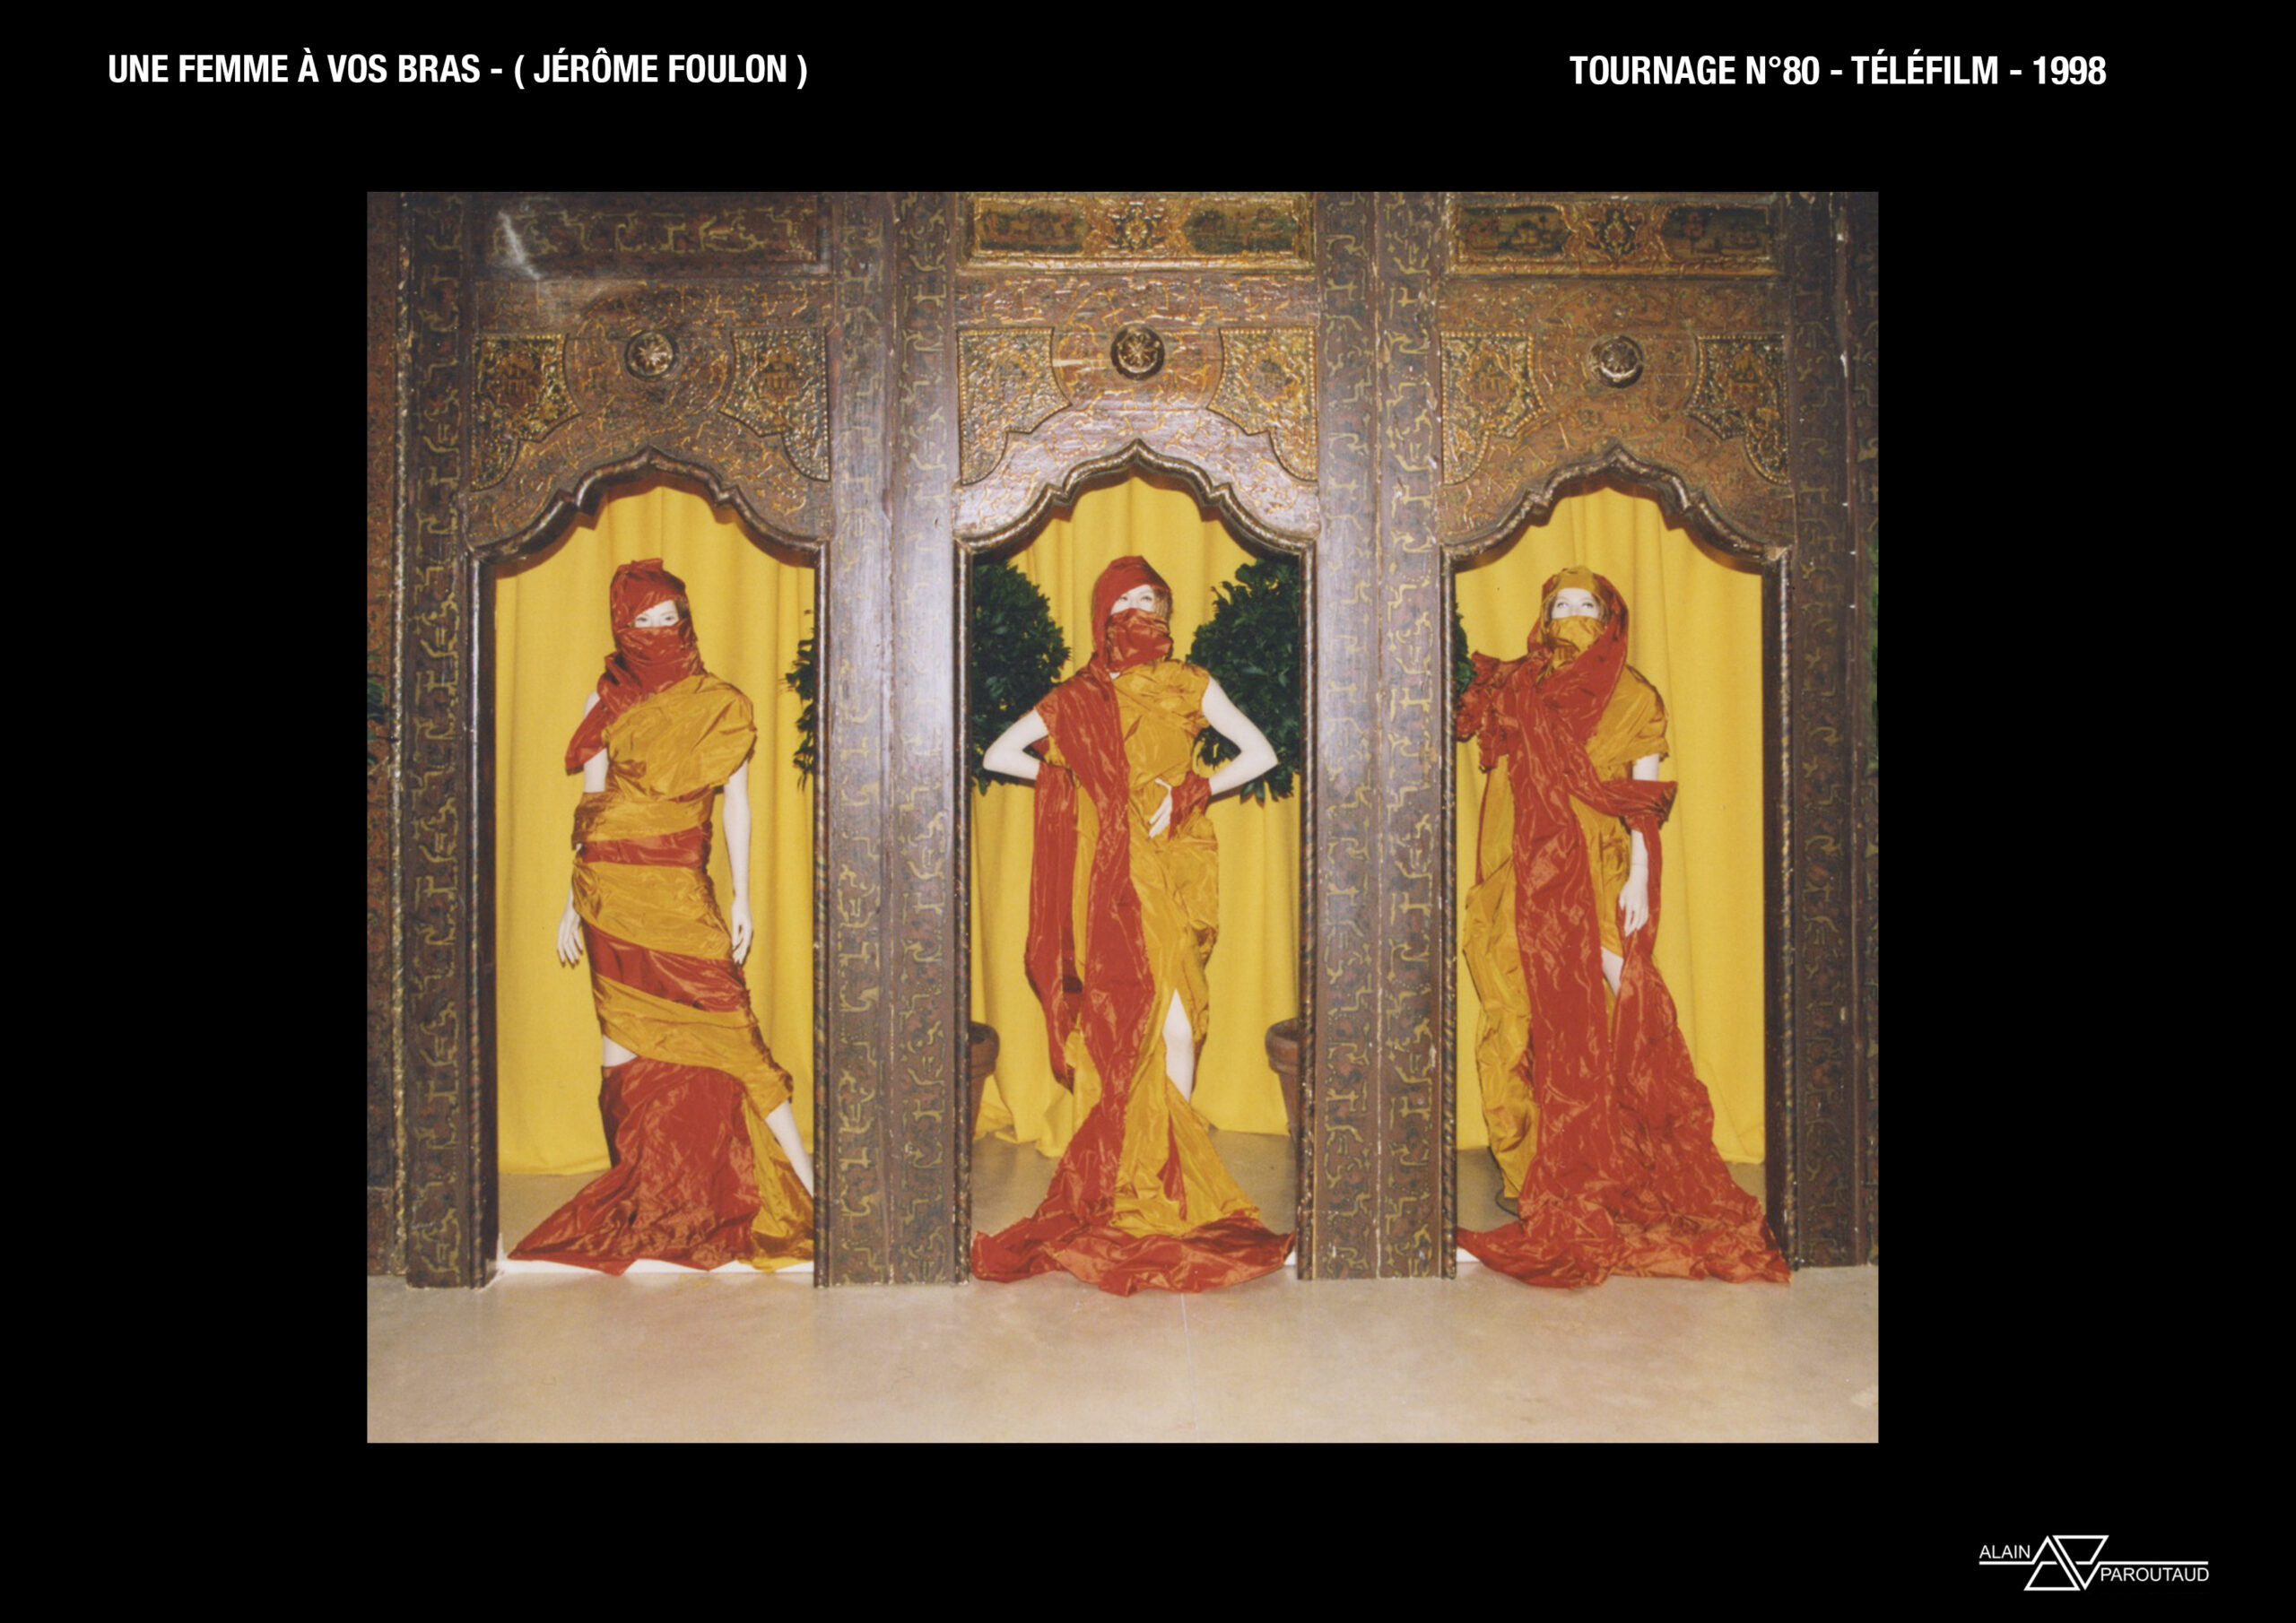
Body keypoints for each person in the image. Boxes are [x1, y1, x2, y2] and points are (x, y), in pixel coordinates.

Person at [1454, 566, 1786, 1287]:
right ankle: (1532, 1166)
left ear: (1611, 620)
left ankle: (1637, 1153)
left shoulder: (1634, 695)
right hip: (1523, 867)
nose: (1571, 617)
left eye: (1586, 606)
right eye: (1559, 605)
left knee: (1623, 998)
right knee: (1516, 1007)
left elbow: (1642, 796)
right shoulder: (1520, 686)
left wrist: (1639, 873)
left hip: (1598, 866)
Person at [972, 556, 1293, 1294]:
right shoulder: (1079, 698)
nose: (1144, 611)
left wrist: (1193, 792)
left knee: (1179, 1017)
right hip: (1110, 874)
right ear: (1104, 615)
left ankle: (1169, 1175)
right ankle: (1148, 1175)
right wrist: (1082, 788)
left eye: (1155, 599)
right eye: (1129, 600)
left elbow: (1261, 752)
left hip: (1175, 862)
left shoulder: (1190, 684)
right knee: (1136, 1021)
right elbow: (998, 754)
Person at [510, 559, 814, 1273]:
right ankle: (642, 1198)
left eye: (668, 617)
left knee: (736, 1037)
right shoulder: (609, 696)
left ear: (686, 619)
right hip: (608, 892)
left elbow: (736, 803)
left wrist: (743, 895)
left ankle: (811, 1189)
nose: (657, 631)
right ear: (623, 628)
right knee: (621, 1047)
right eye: (642, 621)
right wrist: (570, 898)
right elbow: (592, 805)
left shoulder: (720, 704)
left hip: (678, 889)